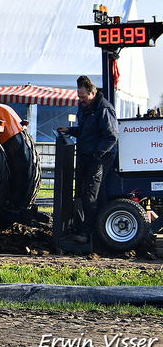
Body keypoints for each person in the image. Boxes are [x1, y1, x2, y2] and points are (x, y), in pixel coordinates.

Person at [56, 76, 119, 244]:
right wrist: (70, 130)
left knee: (90, 194)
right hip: (89, 154)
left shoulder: (104, 109)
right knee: (95, 193)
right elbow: (86, 130)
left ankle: (87, 232)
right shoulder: (86, 107)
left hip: (100, 156)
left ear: (92, 93)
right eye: (79, 96)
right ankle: (101, 229)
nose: (80, 99)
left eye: (83, 96)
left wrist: (97, 155)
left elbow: (111, 136)